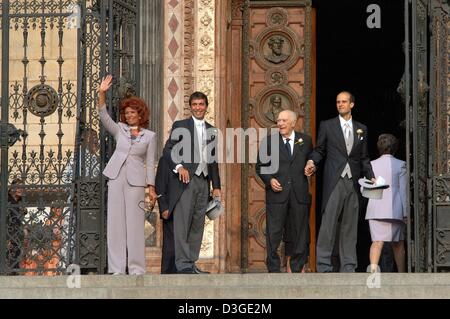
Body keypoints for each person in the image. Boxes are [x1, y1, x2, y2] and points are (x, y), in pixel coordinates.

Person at [304, 91, 375, 272]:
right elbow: (320, 150)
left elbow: (364, 157)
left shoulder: (362, 129)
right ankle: (324, 266)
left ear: (352, 104)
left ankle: (349, 267)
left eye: (344, 102)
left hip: (353, 181)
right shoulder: (327, 126)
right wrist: (312, 162)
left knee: (350, 226)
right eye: (338, 102)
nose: (340, 104)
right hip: (334, 180)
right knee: (328, 224)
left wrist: (371, 176)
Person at [97, 75, 157, 275]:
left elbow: (149, 163)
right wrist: (102, 93)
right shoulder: (119, 130)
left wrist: (151, 187)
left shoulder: (150, 136)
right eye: (127, 112)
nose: (129, 115)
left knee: (134, 226)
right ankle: (116, 269)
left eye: (133, 112)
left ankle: (137, 268)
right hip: (116, 178)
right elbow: (104, 116)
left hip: (136, 182)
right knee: (115, 224)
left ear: (140, 115)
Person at [163, 91, 221, 274]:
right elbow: (168, 150)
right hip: (185, 182)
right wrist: (179, 167)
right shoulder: (180, 126)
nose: (198, 107)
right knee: (182, 225)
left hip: (204, 182)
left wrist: (217, 186)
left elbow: (213, 161)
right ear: (190, 107)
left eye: (201, 104)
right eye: (195, 104)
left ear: (206, 106)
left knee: (197, 224)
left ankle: (191, 263)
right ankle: (182, 266)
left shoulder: (212, 130)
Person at [256, 110, 312, 273]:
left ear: (293, 123)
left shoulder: (305, 141)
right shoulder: (269, 142)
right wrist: (270, 179)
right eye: (278, 121)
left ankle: (296, 267)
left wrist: (312, 167)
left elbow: (312, 161)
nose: (279, 123)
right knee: (273, 233)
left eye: (283, 121)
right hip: (277, 194)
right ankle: (273, 269)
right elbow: (261, 166)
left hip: (298, 194)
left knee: (299, 232)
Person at [365, 134, 407, 273]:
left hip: (376, 209)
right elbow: (403, 191)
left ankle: (373, 273)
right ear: (395, 148)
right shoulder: (401, 165)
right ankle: (401, 274)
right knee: (398, 245)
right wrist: (405, 213)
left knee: (377, 242)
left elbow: (367, 188)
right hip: (395, 210)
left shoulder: (371, 165)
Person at [155, 156, 177, 274]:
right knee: (170, 246)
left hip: (187, 209)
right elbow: (160, 183)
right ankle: (168, 274)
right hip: (170, 209)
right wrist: (163, 207)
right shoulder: (165, 159)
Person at [7, 179, 26, 274]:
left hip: (17, 237)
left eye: (22, 188)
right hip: (8, 236)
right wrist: (7, 238)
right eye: (18, 187)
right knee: (9, 262)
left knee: (15, 262)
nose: (21, 190)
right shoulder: (6, 200)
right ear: (12, 188)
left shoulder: (19, 202)